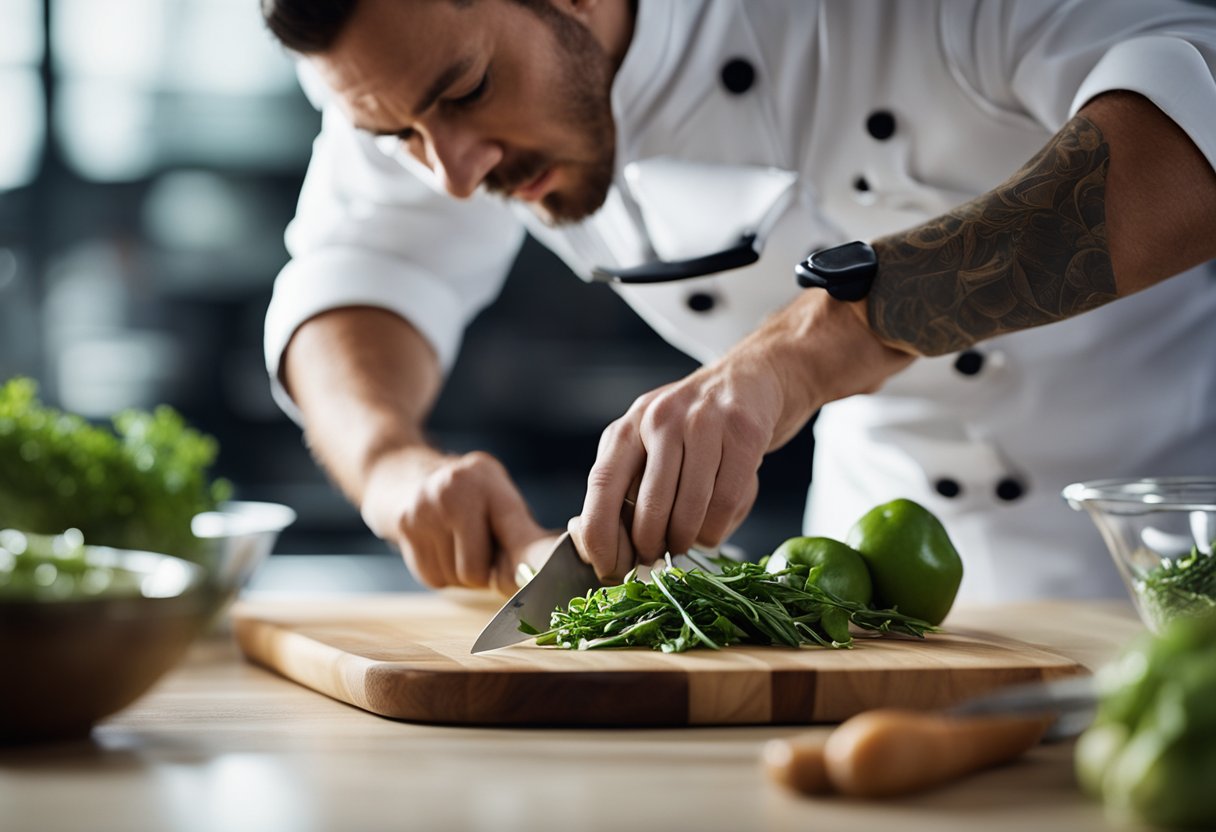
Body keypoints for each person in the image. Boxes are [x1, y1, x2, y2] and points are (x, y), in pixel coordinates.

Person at [260, 0, 1216, 601]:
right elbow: (363, 272)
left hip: (1173, 547)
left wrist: (814, 344)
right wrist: (392, 466)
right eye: (396, 138)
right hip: (872, 590)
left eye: (469, 90)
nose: (454, 175)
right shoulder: (412, 76)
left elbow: (1193, 122)